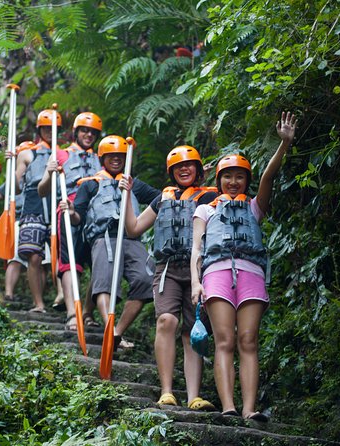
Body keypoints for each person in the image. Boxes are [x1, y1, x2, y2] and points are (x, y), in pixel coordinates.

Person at [190, 111, 297, 420]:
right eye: (227, 176)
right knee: (225, 341)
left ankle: (250, 410)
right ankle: (228, 407)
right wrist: (196, 282)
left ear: (246, 180)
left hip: (251, 274)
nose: (233, 181)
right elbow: (196, 249)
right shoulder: (205, 210)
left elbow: (269, 177)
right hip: (216, 274)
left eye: (239, 176)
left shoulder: (254, 207)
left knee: (248, 341)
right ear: (218, 180)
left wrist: (284, 145)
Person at [120, 145, 218, 410]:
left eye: (189, 165)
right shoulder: (162, 198)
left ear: (198, 169)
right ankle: (166, 392)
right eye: (178, 167)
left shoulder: (211, 196)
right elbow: (134, 228)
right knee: (166, 321)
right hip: (167, 270)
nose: (184, 169)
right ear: (171, 172)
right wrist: (127, 195)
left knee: (192, 331)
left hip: (199, 269)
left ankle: (194, 396)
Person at [62, 135, 160, 348]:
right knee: (104, 285)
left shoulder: (134, 184)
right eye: (111, 156)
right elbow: (77, 218)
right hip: (104, 238)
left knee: (145, 279)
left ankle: (116, 332)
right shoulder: (90, 185)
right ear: (102, 158)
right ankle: (109, 330)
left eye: (120, 156)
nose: (116, 159)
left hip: (132, 239)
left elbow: (161, 199)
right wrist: (70, 212)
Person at [53, 112, 103, 330]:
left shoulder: (102, 158)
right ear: (76, 132)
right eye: (84, 130)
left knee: (97, 263)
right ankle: (72, 314)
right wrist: (49, 172)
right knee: (69, 263)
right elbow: (43, 187)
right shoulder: (61, 154)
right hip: (70, 207)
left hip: (95, 212)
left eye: (93, 132)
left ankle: (88, 312)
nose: (88, 135)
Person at [15, 109, 67, 313]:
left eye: (53, 129)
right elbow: (17, 184)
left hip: (56, 206)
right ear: (39, 129)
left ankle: (62, 293)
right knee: (34, 256)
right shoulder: (28, 153)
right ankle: (39, 304)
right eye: (46, 128)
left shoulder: (64, 153)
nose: (50, 132)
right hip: (33, 207)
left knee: (59, 253)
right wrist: (14, 170)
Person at [0, 140, 33, 301]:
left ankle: (37, 300)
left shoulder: (39, 176)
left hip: (36, 219)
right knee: (16, 259)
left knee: (40, 261)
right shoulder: (15, 176)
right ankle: (9, 293)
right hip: (19, 219)